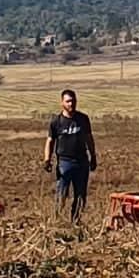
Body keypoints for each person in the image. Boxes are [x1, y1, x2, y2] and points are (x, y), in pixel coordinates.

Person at [42, 88, 97, 221]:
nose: (71, 104)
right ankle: (56, 221)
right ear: (62, 103)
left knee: (80, 196)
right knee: (61, 194)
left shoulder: (83, 119)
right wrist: (47, 159)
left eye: (73, 101)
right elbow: (50, 141)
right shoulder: (56, 122)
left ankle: (76, 222)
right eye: (68, 101)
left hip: (82, 162)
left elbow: (89, 138)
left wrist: (93, 156)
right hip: (64, 163)